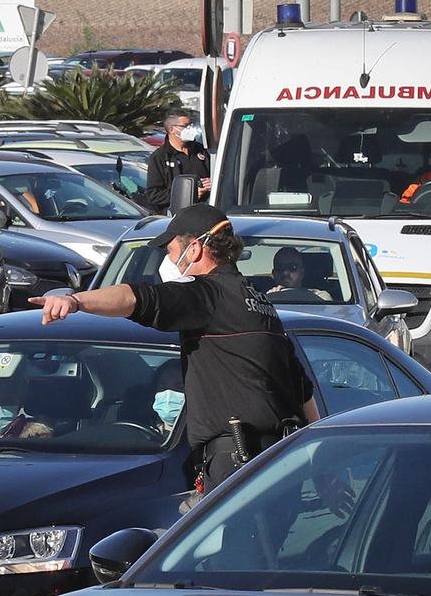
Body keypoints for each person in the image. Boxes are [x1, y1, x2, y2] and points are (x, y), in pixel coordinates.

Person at [31, 204, 321, 486]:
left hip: (237, 464)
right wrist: (321, 463)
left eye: (170, 251)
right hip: (279, 458)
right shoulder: (258, 303)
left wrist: (77, 301)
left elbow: (138, 299)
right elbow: (303, 391)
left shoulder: (209, 295)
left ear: (194, 249)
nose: (167, 261)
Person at [143, 110, 210, 213]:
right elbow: (154, 195)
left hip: (204, 212)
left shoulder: (200, 150)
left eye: (191, 125)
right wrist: (189, 194)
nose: (190, 129)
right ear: (172, 129)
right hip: (177, 216)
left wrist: (212, 183)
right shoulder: (160, 157)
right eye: (186, 125)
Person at [267, 246, 332, 301]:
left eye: (292, 267)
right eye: (280, 267)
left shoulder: (320, 296)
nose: (285, 272)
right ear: (274, 273)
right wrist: (269, 299)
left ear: (302, 273)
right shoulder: (264, 298)